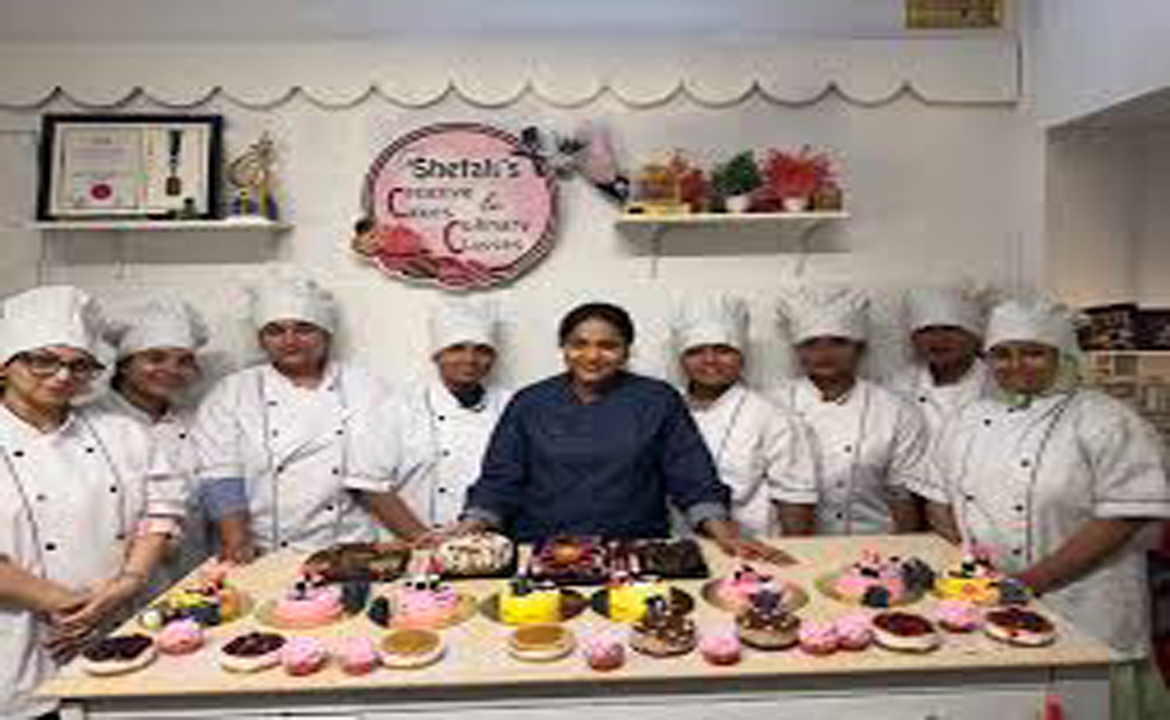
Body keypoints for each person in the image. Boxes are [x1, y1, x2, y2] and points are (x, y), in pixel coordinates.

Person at [912, 299, 1170, 720]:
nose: (1015, 365)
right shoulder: (966, 419)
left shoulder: (1107, 419)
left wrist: (1031, 582)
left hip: (1085, 598)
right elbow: (938, 500)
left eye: (1033, 352)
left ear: (1063, 356)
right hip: (987, 598)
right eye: (1001, 354)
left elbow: (1122, 517)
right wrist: (974, 572)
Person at [0, 286, 186, 719]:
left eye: (79, 365)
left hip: (125, 625)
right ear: (5, 364)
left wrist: (128, 584)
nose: (62, 375)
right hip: (25, 641)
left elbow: (161, 512)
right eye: (43, 360)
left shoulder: (122, 433)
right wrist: (72, 608)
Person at [457, 301, 752, 552]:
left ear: (627, 351)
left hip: (634, 548)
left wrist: (724, 533)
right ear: (563, 347)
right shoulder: (530, 402)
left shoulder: (658, 399)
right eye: (579, 344)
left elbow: (691, 475)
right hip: (542, 548)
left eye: (608, 346)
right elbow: (500, 479)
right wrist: (467, 529)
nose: (592, 356)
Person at [193, 278, 427, 561]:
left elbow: (368, 480)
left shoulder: (363, 386)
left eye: (304, 329)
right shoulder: (233, 392)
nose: (290, 340)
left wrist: (422, 540)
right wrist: (237, 540)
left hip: (349, 548)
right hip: (264, 548)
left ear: (326, 335)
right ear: (261, 340)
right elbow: (221, 474)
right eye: (275, 331)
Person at [771, 287, 928, 535]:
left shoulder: (896, 410)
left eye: (839, 342)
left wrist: (906, 549)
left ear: (861, 349)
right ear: (797, 351)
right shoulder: (772, 406)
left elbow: (901, 494)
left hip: (875, 541)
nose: (824, 354)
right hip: (792, 545)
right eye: (811, 344)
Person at [351, 300, 511, 530]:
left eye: (482, 350)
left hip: (487, 541)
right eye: (456, 348)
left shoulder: (511, 405)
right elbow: (370, 484)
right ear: (436, 355)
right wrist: (421, 538)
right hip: (410, 541)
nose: (470, 359)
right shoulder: (398, 406)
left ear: (493, 358)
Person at [672, 295, 816, 536]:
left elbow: (795, 497)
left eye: (723, 350)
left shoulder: (772, 415)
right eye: (695, 352)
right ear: (681, 358)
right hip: (674, 543)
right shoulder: (663, 407)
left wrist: (798, 553)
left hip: (752, 545)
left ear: (742, 355)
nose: (710, 360)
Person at [95, 298, 211, 583]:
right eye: (155, 358)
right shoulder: (89, 422)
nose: (171, 369)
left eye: (184, 361)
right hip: (114, 577)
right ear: (124, 365)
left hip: (191, 574)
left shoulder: (196, 423)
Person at [889, 285, 994, 443]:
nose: (938, 339)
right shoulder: (897, 387)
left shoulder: (999, 384)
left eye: (950, 329)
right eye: (927, 330)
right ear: (914, 340)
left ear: (975, 338)